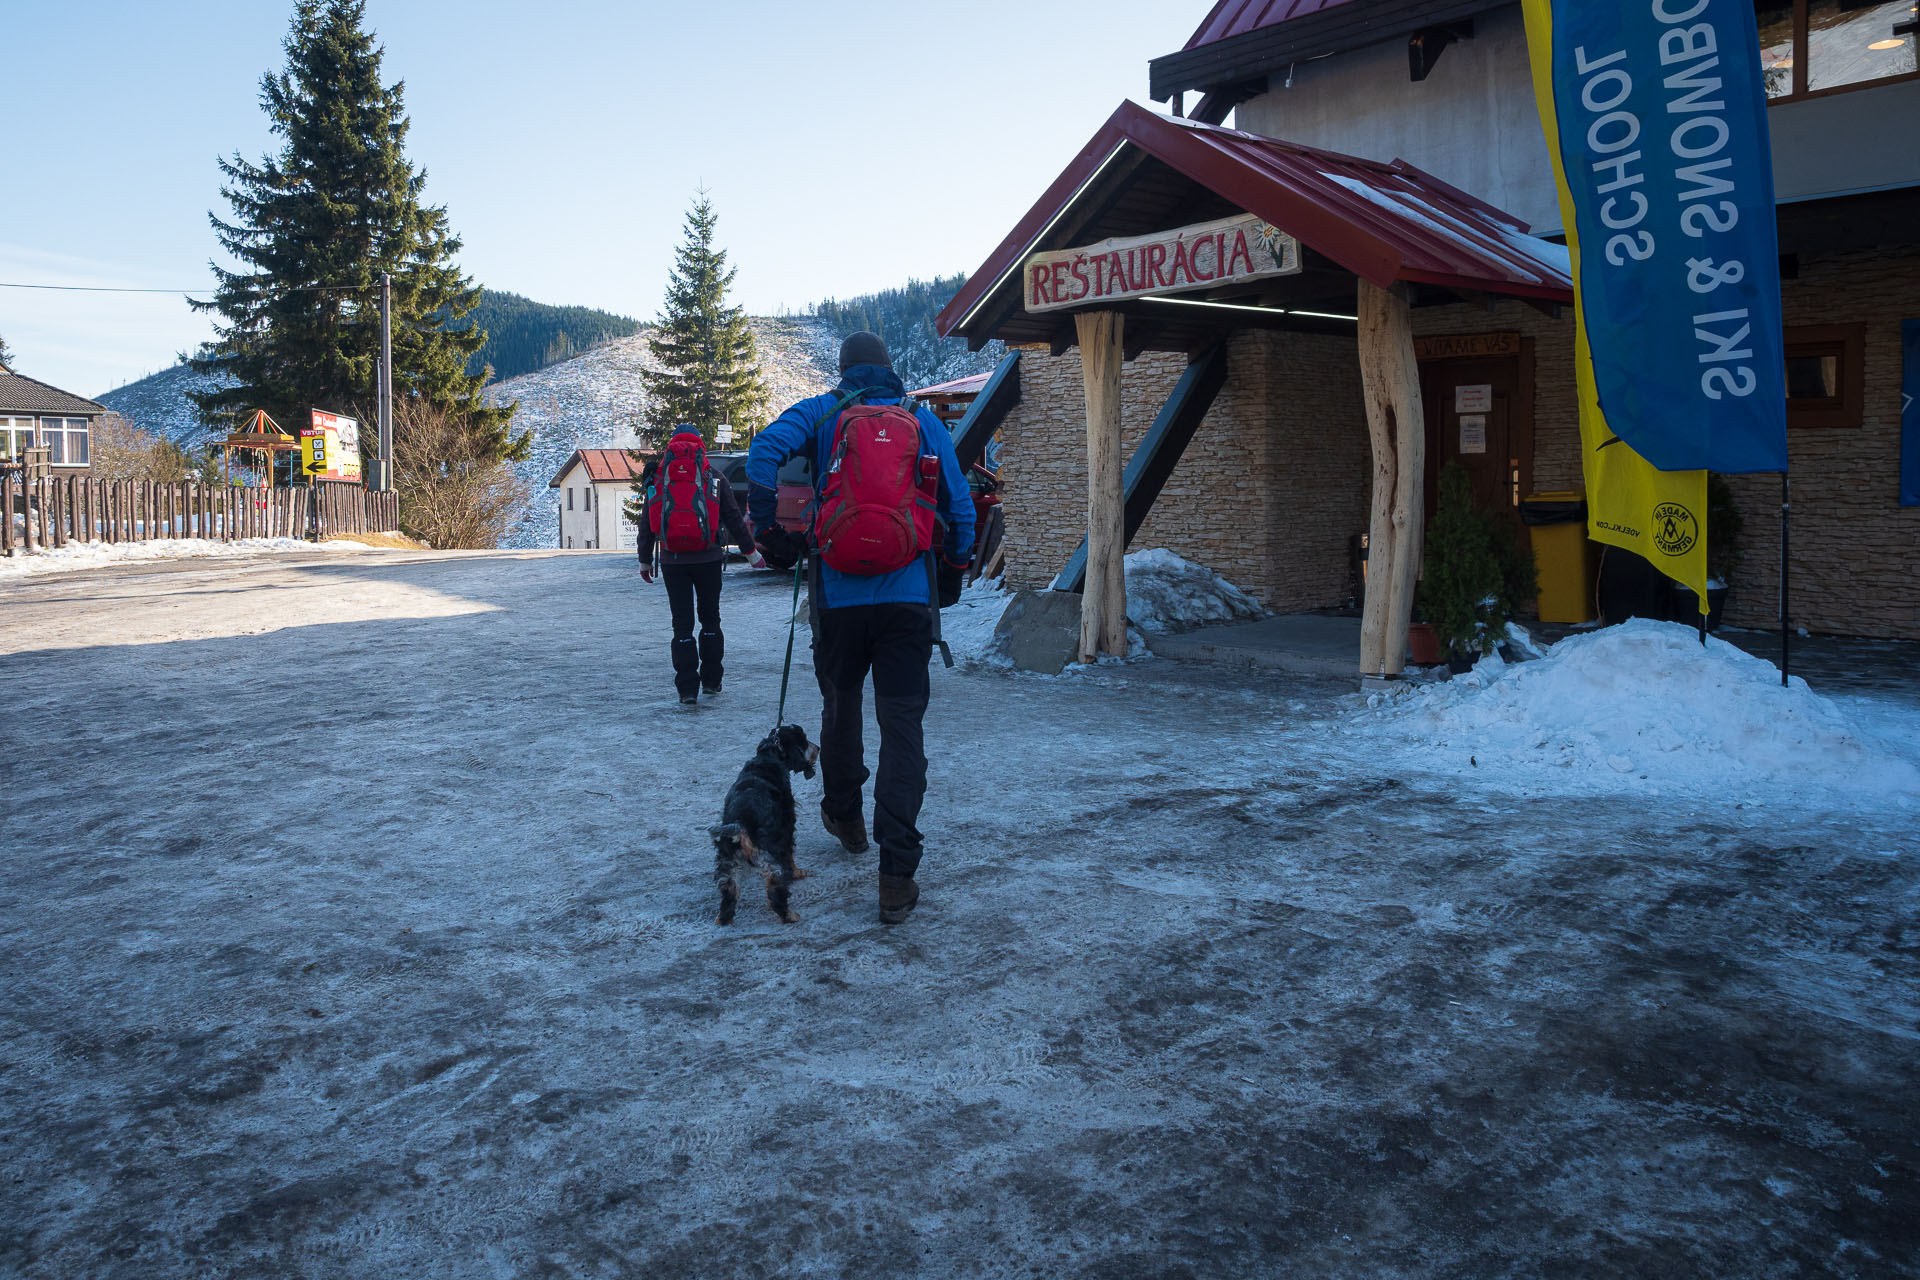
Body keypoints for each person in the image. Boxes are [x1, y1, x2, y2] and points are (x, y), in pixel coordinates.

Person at [747, 332, 974, 924]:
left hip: (838, 594)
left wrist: (772, 528)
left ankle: (845, 817)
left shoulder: (824, 412)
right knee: (902, 725)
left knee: (840, 704)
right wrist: (950, 573)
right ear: (890, 369)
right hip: (907, 597)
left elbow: (764, 452)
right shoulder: (920, 420)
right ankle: (896, 875)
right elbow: (961, 507)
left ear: (844, 371)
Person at [637, 426, 755, 705]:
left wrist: (644, 561)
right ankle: (712, 682)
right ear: (700, 446)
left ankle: (687, 689)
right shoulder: (714, 477)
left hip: (672, 561)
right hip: (709, 559)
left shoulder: (659, 478)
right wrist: (751, 553)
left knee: (682, 625)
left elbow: (646, 524)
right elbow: (734, 518)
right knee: (710, 619)